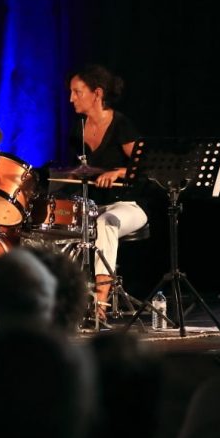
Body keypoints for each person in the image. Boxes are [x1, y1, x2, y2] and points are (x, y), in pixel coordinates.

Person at [65, 63, 148, 320]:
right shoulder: (78, 129)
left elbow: (144, 164)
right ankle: (65, 301)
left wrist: (118, 172)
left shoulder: (121, 125)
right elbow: (83, 168)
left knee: (105, 223)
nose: (71, 98)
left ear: (97, 93)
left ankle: (100, 305)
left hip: (128, 206)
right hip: (94, 206)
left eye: (77, 92)